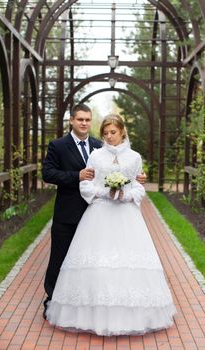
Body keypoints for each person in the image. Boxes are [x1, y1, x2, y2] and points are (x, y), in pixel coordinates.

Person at [46, 114, 176, 336]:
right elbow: (86, 186)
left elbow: (139, 187)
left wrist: (126, 195)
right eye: (105, 133)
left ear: (122, 132)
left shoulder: (135, 158)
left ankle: (131, 317)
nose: (109, 136)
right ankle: (91, 314)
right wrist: (106, 192)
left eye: (113, 132)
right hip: (99, 215)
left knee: (129, 264)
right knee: (97, 263)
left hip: (127, 217)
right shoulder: (96, 155)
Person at [42, 105, 146, 319]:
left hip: (98, 213)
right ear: (72, 120)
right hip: (70, 212)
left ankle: (95, 301)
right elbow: (48, 173)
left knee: (97, 261)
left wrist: (136, 180)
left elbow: (123, 168)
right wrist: (76, 176)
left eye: (88, 120)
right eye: (80, 119)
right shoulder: (58, 145)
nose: (84, 123)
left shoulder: (100, 147)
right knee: (61, 258)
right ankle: (53, 299)